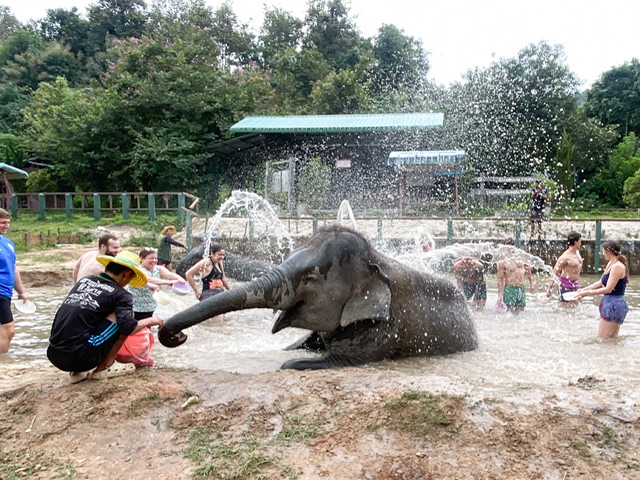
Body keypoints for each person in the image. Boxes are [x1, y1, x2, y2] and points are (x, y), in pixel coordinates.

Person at [47, 251, 164, 383]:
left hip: (54, 354)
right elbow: (128, 327)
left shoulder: (85, 281)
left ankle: (76, 372)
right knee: (127, 317)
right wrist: (151, 320)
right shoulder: (121, 295)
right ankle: (105, 367)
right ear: (125, 274)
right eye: (131, 278)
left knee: (86, 314)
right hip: (81, 356)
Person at [576, 240, 629, 339]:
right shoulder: (611, 264)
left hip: (614, 304)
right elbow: (601, 283)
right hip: (609, 302)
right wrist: (583, 290)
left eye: (603, 251)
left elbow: (608, 289)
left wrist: (587, 293)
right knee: (611, 340)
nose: (603, 253)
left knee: (602, 340)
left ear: (609, 252)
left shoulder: (617, 266)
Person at [129, 247, 187, 319]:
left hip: (152, 306)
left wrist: (179, 278)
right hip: (136, 307)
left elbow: (169, 274)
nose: (154, 260)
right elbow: (149, 279)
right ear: (141, 258)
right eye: (151, 258)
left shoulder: (158, 268)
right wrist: (169, 282)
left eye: (155, 258)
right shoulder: (138, 270)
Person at [0, 208, 27, 354]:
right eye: (3, 222)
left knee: (5, 330)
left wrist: (21, 291)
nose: (6, 226)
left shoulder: (8, 244)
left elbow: (14, 268)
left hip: (6, 292)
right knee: (8, 329)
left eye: (8, 222)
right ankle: (3, 362)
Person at [185, 243, 231, 322]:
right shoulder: (206, 263)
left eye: (223, 255)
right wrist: (196, 291)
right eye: (219, 255)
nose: (222, 257)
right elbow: (188, 274)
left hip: (220, 293)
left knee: (223, 321)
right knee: (218, 323)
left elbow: (223, 278)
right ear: (212, 253)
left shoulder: (220, 263)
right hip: (209, 295)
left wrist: (231, 292)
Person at [546, 231, 583, 306]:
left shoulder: (577, 253)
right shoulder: (565, 257)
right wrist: (548, 291)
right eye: (580, 241)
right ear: (575, 242)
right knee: (565, 309)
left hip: (575, 284)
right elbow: (554, 273)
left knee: (574, 308)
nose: (580, 243)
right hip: (565, 285)